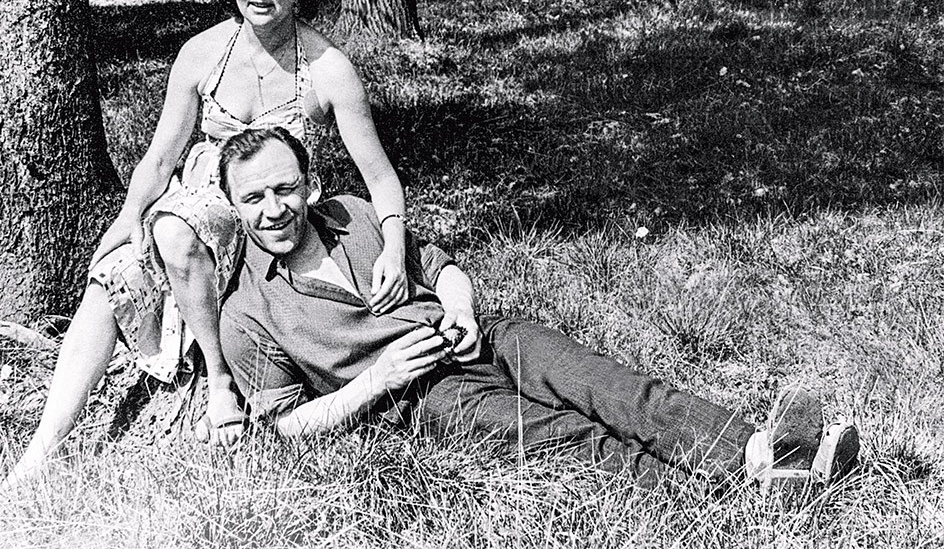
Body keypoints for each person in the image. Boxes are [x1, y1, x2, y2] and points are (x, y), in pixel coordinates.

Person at [0, 0, 408, 498]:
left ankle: (219, 380)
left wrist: (393, 245)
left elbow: (379, 175)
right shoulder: (202, 53)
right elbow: (161, 158)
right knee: (112, 275)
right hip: (197, 201)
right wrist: (127, 218)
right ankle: (42, 451)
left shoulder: (327, 67)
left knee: (175, 230)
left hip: (271, 214)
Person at [216, 126, 862, 489]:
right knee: (565, 436)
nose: (273, 209)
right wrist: (376, 381)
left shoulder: (355, 213)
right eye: (253, 198)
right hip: (418, 396)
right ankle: (732, 501)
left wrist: (462, 311)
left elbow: (442, 268)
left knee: (611, 386)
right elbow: (284, 426)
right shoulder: (246, 313)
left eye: (285, 188)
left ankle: (759, 453)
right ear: (233, 206)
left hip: (481, 336)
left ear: (311, 185)